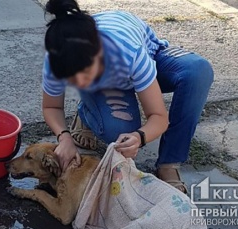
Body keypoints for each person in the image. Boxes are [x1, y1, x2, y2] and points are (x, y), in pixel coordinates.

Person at [41, 0, 214, 193]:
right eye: (73, 78)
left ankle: (169, 163)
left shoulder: (129, 53)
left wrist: (139, 137)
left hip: (144, 56)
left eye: (87, 74)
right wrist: (64, 139)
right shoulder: (55, 59)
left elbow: (158, 116)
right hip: (117, 76)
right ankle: (87, 112)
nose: (80, 83)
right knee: (118, 131)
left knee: (198, 71)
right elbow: (52, 107)